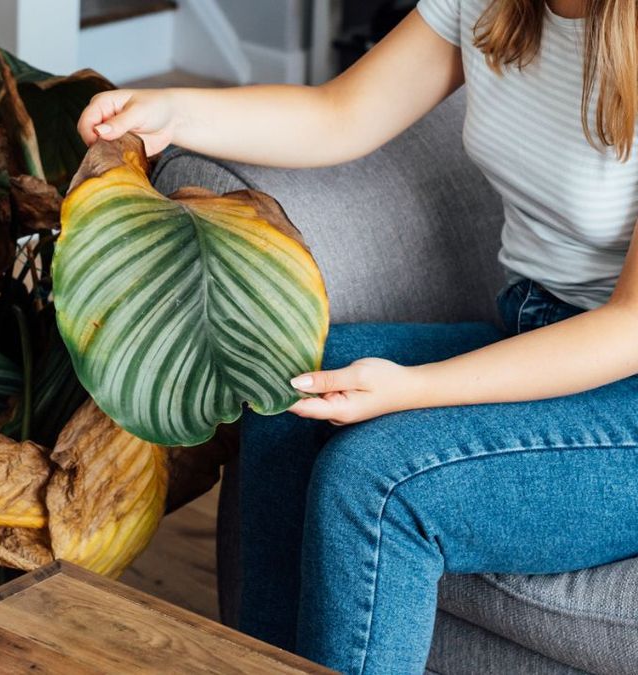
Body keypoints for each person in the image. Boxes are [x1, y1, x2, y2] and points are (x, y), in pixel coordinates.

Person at [77, 0, 638, 672]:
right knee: (288, 382)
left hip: (623, 383)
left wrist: (413, 389)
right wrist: (173, 110)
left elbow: (626, 326)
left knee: (376, 482)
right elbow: (341, 112)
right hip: (536, 324)